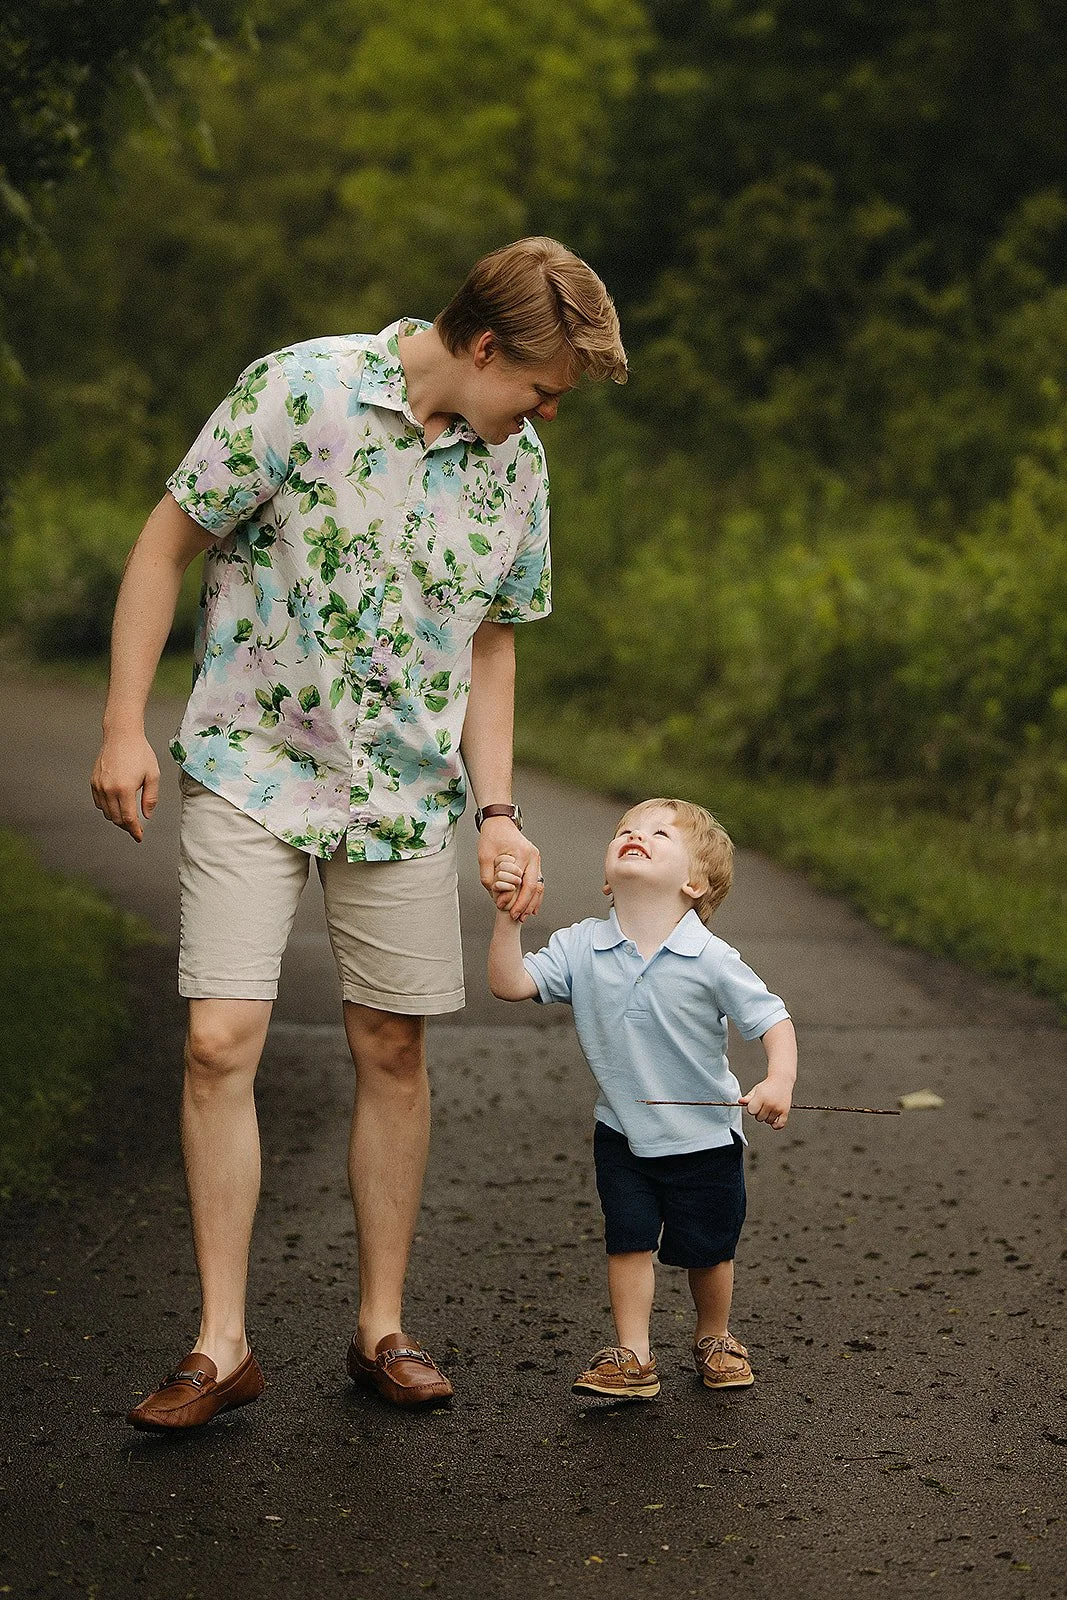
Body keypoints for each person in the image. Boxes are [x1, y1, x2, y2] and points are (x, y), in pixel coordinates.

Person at [90, 236, 627, 1429]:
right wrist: (124, 723)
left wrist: (497, 810)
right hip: (252, 764)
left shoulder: (516, 463)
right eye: (539, 388)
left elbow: (493, 639)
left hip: (401, 795)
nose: (546, 413)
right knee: (220, 1039)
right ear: (483, 347)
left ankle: (380, 1327)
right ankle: (220, 1342)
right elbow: (164, 541)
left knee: (392, 1047)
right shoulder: (297, 389)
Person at [488, 797, 797, 1399]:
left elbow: (773, 1021)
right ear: (607, 879)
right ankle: (633, 1354)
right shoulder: (581, 946)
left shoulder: (711, 958)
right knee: (627, 1239)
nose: (636, 836)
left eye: (659, 833)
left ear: (694, 883)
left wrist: (778, 1078)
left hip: (705, 1139)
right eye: (626, 831)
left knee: (708, 1250)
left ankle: (714, 1335)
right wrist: (508, 922)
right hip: (622, 1131)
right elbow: (510, 984)